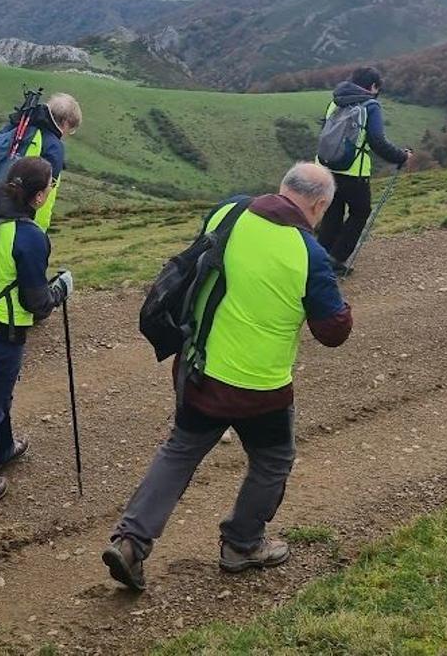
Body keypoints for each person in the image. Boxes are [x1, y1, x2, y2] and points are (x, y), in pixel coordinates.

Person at [103, 163, 353, 591]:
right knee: (273, 461)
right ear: (320, 205)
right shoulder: (309, 253)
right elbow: (333, 332)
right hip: (262, 388)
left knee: (179, 452)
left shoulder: (229, 212)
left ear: (282, 187)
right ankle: (242, 544)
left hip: (200, 368)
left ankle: (131, 542)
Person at [0, 157, 73, 512]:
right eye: (50, 185)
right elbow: (37, 303)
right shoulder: (30, 236)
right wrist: (62, 288)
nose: (52, 191)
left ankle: (2, 450)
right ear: (38, 197)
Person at [316, 67, 411, 274]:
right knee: (360, 212)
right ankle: (336, 260)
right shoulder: (370, 105)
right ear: (374, 86)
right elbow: (377, 140)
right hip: (353, 172)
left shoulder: (336, 100)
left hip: (326, 167)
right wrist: (401, 157)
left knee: (333, 211)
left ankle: (319, 260)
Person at [0, 92, 82, 231]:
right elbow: (43, 194)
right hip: (18, 219)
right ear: (65, 123)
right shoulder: (54, 147)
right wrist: (38, 231)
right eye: (71, 129)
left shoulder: (17, 127)